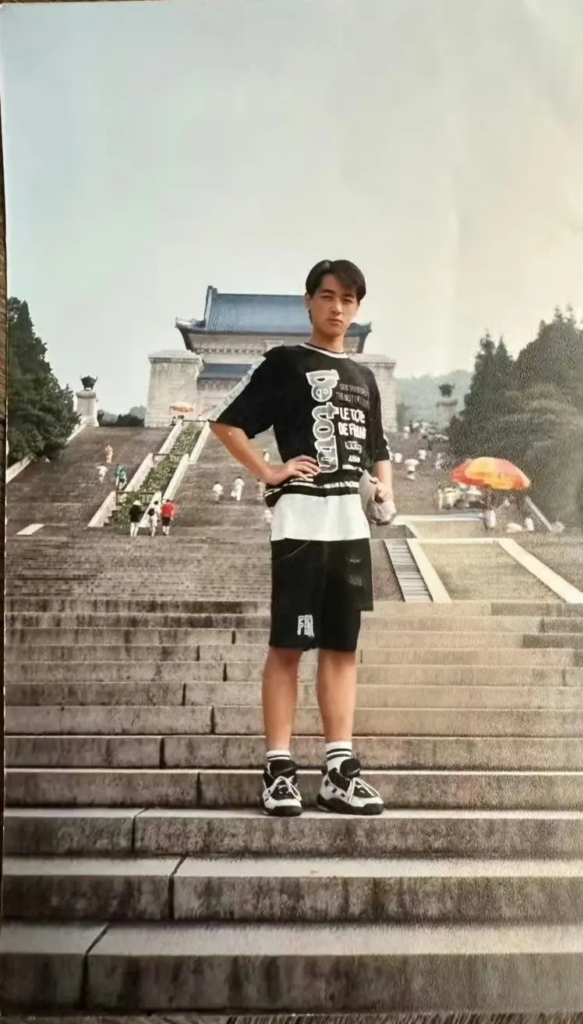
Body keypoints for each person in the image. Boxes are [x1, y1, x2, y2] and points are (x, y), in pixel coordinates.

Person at [210, 258, 392, 818]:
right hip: (300, 522)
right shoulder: (285, 363)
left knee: (342, 646)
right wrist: (269, 470)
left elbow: (378, 448)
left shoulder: (364, 378)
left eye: (348, 299)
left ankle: (338, 771)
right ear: (309, 301)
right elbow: (225, 422)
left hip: (349, 528)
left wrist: (384, 489)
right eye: (328, 296)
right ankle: (279, 769)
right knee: (288, 646)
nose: (337, 308)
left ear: (357, 308)